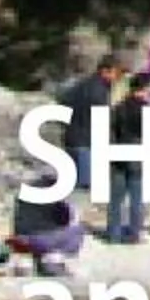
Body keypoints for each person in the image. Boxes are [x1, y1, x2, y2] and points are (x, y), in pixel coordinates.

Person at [55, 53, 116, 204]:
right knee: (83, 191)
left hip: (71, 138)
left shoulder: (80, 85)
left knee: (72, 185)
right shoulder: (99, 90)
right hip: (86, 143)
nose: (117, 78)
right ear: (105, 71)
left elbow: (62, 103)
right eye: (116, 73)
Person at [104, 70, 150, 244]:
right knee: (136, 197)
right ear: (145, 88)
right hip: (138, 153)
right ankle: (134, 233)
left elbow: (111, 130)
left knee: (116, 198)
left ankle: (113, 233)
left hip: (119, 151)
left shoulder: (119, 107)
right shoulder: (147, 109)